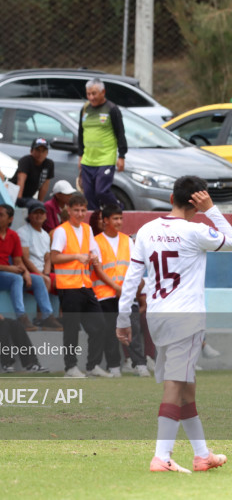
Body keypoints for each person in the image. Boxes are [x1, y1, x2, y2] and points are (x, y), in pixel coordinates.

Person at [117, 176, 231, 473]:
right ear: (198, 201)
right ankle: (162, 456)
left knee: (186, 389)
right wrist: (213, 209)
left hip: (158, 317)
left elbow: (132, 277)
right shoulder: (196, 231)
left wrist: (122, 317)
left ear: (171, 198)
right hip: (186, 318)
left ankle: (202, 455)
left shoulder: (146, 230)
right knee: (174, 386)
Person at [51, 193, 112, 378]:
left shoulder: (87, 229)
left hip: (85, 285)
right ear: (68, 210)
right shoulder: (62, 230)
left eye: (83, 210)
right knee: (71, 329)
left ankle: (92, 365)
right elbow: (54, 256)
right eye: (76, 210)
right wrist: (77, 256)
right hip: (68, 287)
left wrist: (94, 258)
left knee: (100, 325)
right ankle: (70, 367)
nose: (79, 213)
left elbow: (94, 252)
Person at [0, 204, 57, 331]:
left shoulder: (13, 235)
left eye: (1, 215)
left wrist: (26, 273)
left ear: (10, 219)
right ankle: (21, 317)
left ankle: (47, 316)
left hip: (6, 275)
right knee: (16, 279)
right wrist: (9, 269)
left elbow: (18, 260)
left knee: (38, 280)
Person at [90, 204, 133, 378]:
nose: (119, 222)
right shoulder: (96, 241)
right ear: (105, 220)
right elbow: (99, 269)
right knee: (109, 330)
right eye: (115, 218)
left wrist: (126, 289)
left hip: (124, 294)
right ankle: (114, 366)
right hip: (104, 295)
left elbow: (132, 267)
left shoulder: (127, 240)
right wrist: (116, 287)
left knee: (128, 329)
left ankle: (133, 363)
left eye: (120, 218)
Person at [78, 78, 127, 210]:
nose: (91, 97)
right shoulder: (85, 108)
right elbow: (80, 133)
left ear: (103, 92)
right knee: (88, 195)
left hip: (105, 158)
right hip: (88, 159)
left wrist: (122, 155)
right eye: (88, 94)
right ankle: (96, 221)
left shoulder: (112, 109)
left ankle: (118, 208)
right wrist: (80, 155)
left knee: (101, 191)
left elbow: (120, 133)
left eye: (94, 94)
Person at [16, 200, 56, 300]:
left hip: (42, 272)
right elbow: (25, 258)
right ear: (29, 215)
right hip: (28, 272)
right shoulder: (22, 232)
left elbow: (47, 259)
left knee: (64, 281)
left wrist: (45, 274)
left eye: (41, 213)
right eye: (35, 213)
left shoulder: (46, 235)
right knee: (45, 280)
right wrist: (41, 275)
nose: (39, 215)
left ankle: (62, 314)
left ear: (46, 216)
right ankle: (42, 315)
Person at [10, 138, 54, 206]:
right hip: (13, 193)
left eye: (43, 151)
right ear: (31, 151)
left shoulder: (49, 164)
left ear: (47, 153)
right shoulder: (26, 161)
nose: (40, 153)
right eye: (37, 150)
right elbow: (21, 181)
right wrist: (18, 202)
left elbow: (44, 186)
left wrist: (40, 203)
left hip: (29, 197)